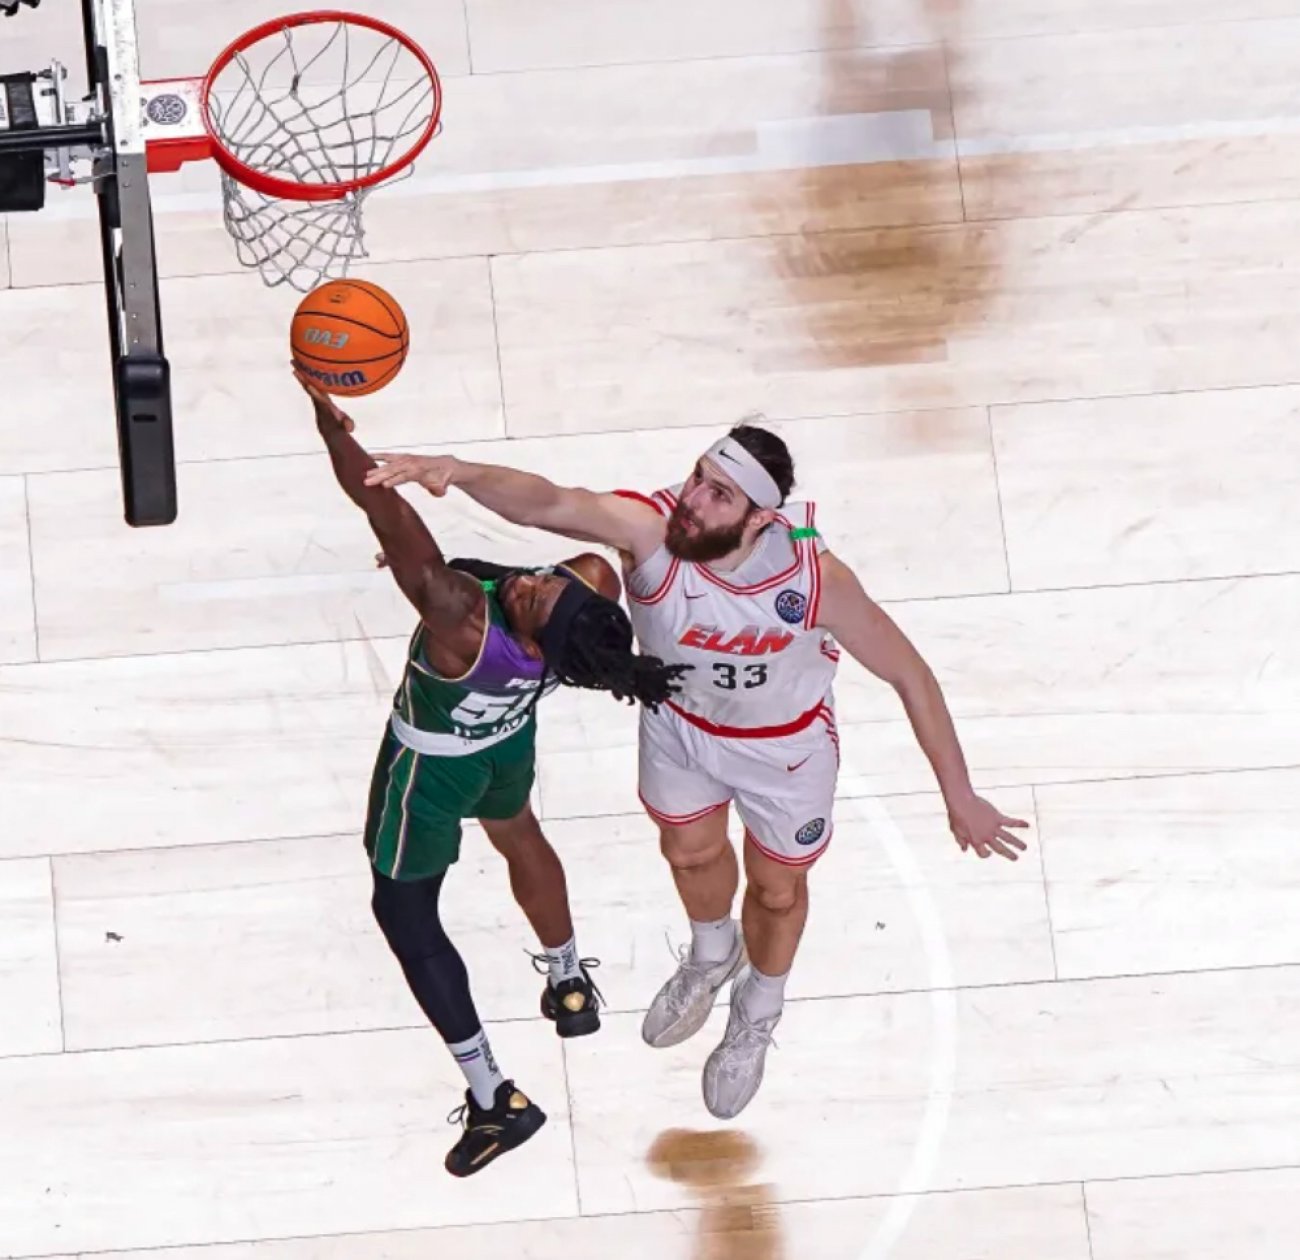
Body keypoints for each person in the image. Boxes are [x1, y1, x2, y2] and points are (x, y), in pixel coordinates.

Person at [364, 423, 1029, 1119]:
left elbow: (910, 674)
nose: (694, 500)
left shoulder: (814, 580)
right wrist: (458, 470)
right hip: (681, 729)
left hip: (783, 750)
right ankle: (713, 954)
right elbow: (549, 502)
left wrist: (960, 794)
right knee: (688, 853)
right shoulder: (649, 531)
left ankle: (758, 1009)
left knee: (777, 892)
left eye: (719, 496)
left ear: (759, 519)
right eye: (698, 478)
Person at [298, 372, 685, 1173]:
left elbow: (382, 508)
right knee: (519, 834)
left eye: (536, 596)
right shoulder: (589, 600)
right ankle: (568, 982)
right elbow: (567, 573)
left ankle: (492, 1096)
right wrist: (489, 576)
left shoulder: (459, 620)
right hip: (506, 746)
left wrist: (333, 429)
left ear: (539, 637)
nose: (533, 581)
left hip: (429, 773)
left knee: (405, 917)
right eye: (545, 581)